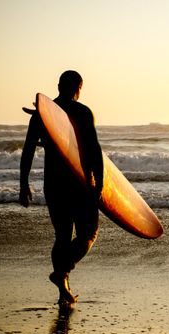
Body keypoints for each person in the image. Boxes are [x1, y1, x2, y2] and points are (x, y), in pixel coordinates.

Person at [19, 70, 103, 304]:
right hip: (80, 184)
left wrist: (23, 183)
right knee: (88, 233)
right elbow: (94, 150)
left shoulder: (41, 116)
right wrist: (101, 182)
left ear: (58, 86)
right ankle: (62, 272)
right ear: (79, 87)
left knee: (62, 236)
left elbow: (27, 151)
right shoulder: (83, 112)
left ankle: (62, 289)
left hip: (53, 183)